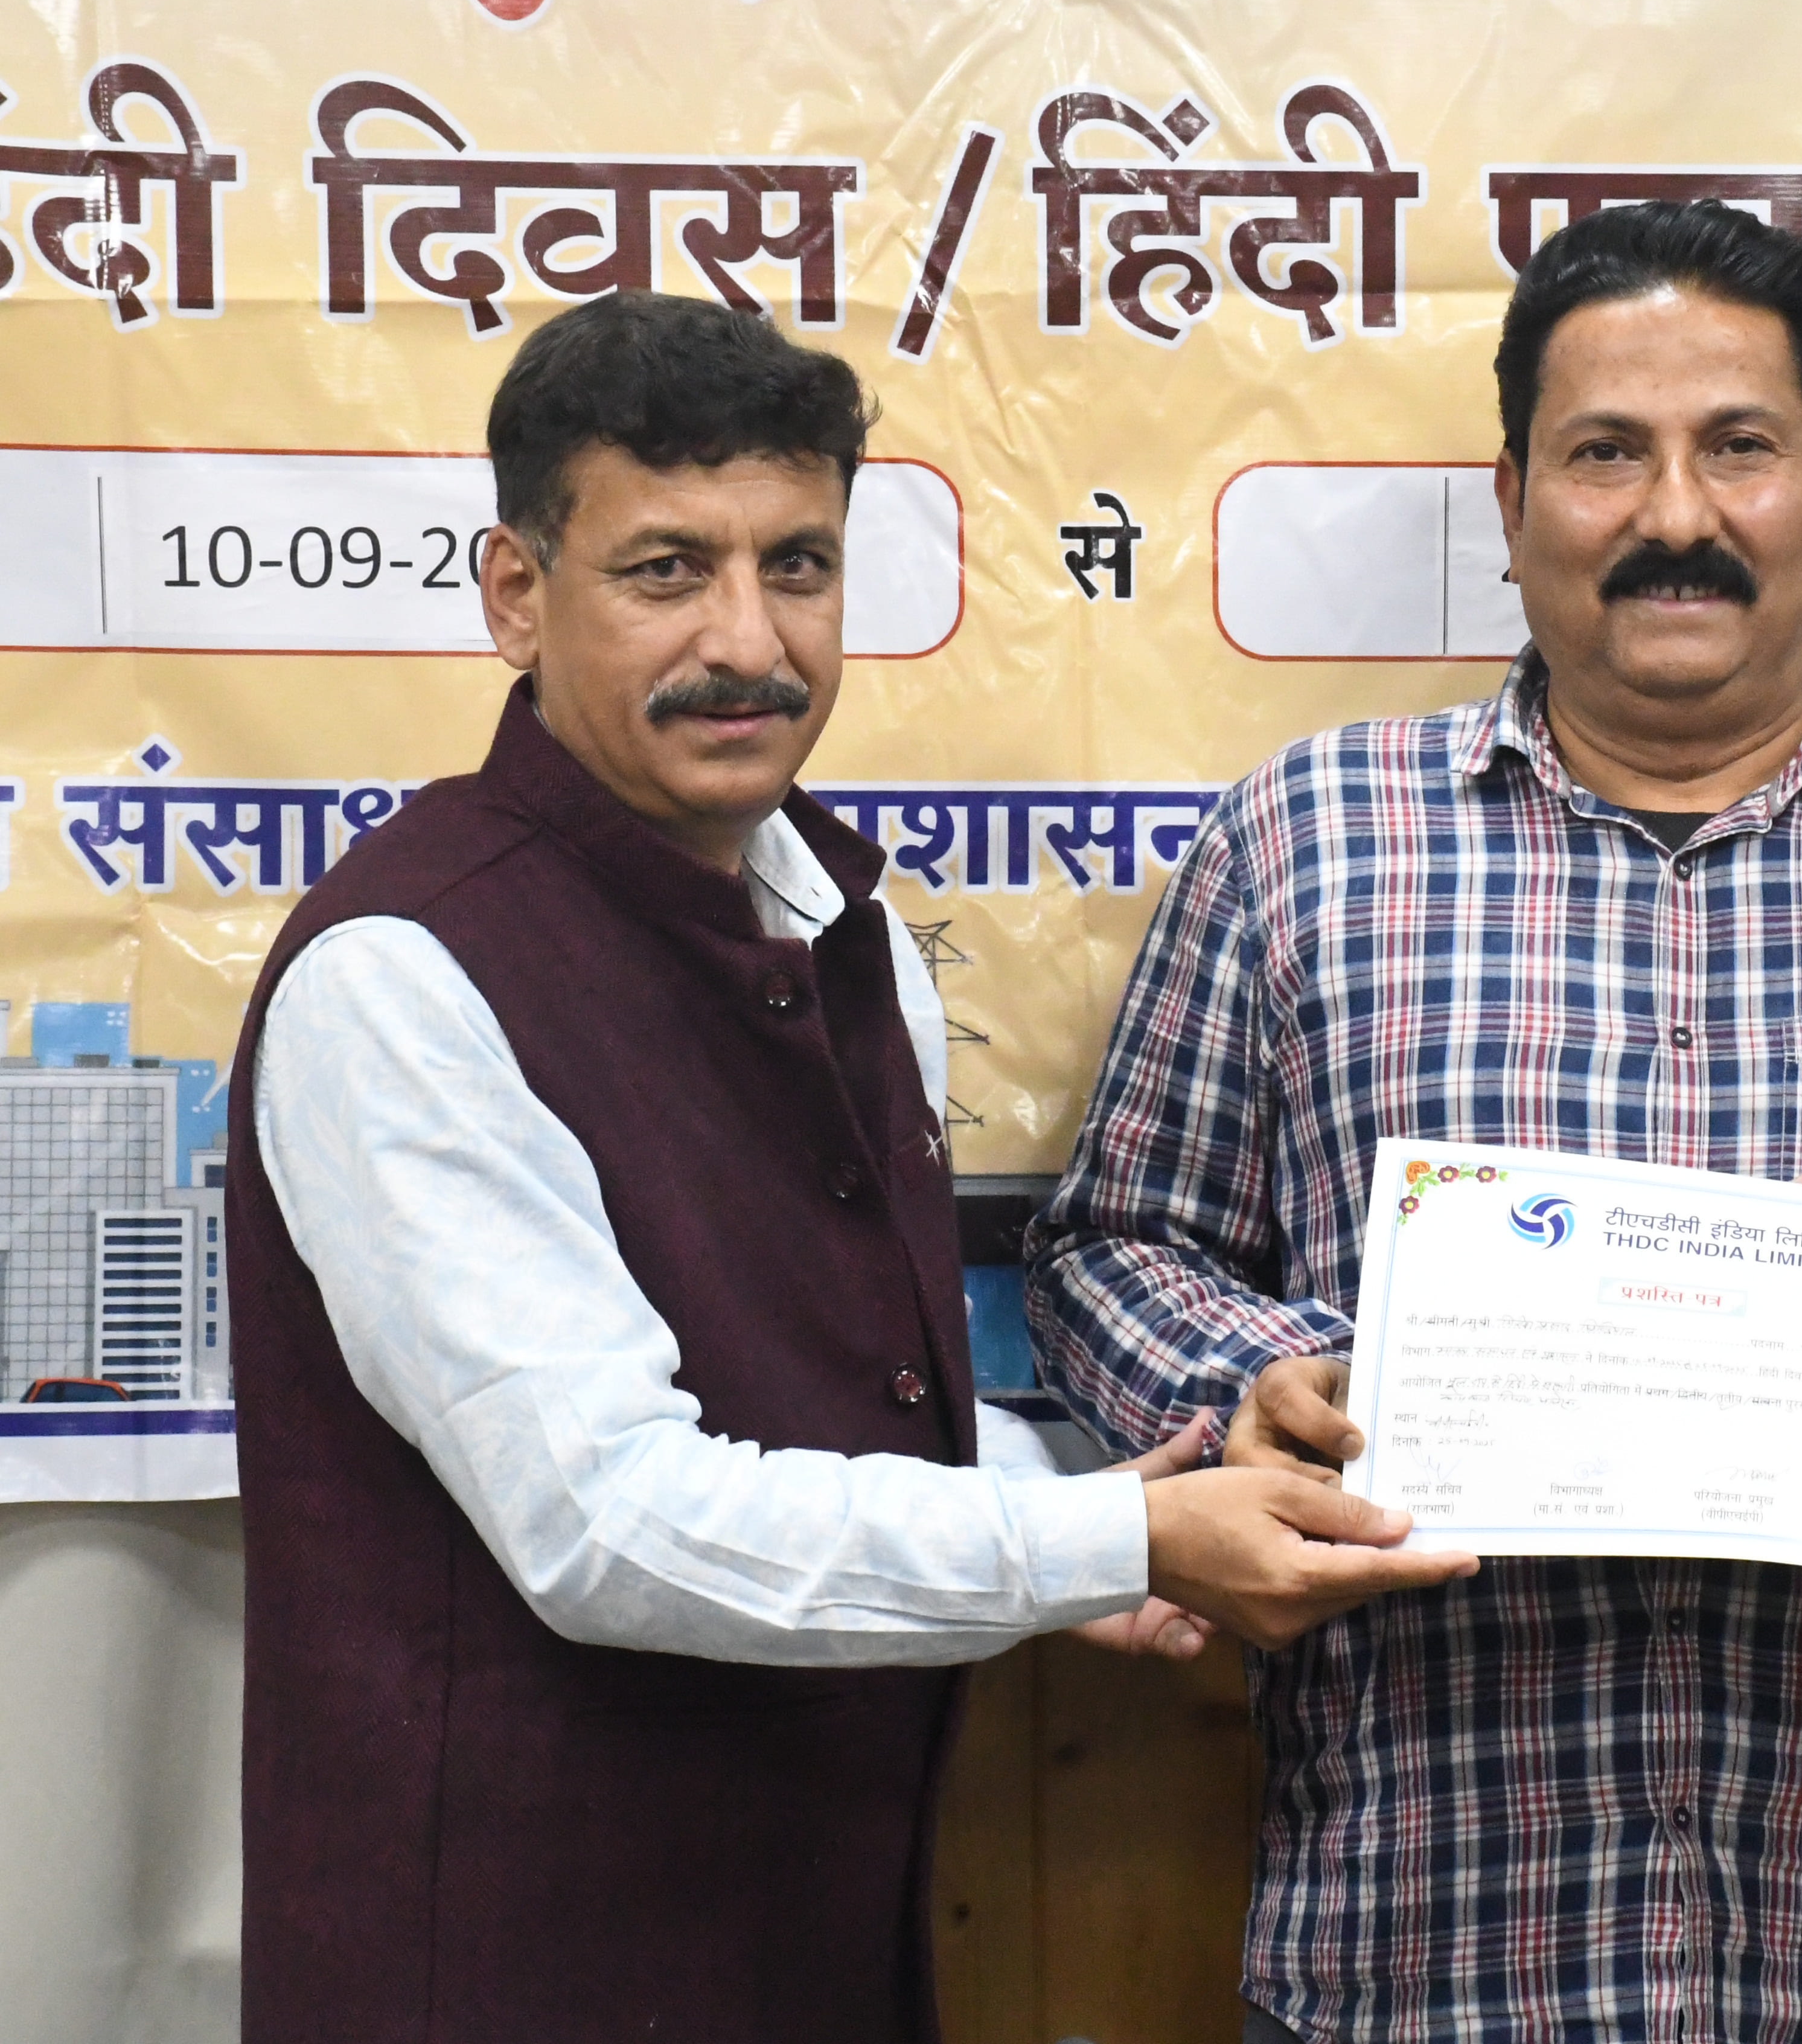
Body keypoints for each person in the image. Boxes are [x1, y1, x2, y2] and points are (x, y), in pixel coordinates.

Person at [1027, 199, 1802, 2044]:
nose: (1678, 515)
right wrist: (1260, 1388)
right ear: (1514, 504)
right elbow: (1110, 1248)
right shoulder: (1307, 843)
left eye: (1739, 447)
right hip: (1412, 1966)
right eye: (1608, 455)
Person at [229, 290, 1471, 2044]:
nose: (748, 641)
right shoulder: (404, 972)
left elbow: (835, 1399)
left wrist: (1141, 1501)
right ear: (516, 593)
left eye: (797, 566)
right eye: (667, 571)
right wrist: (1110, 1536)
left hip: (814, 1933)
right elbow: (610, 1524)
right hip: (506, 1965)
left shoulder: (838, 916)